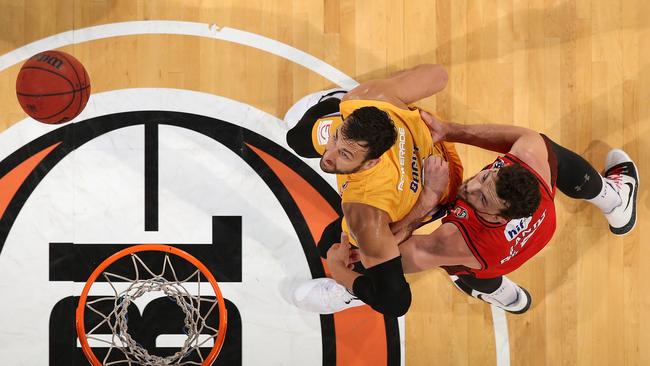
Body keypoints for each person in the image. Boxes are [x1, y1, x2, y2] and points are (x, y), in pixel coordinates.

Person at [310, 109, 639, 315]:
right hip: (541, 228)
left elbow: (386, 255)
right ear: (504, 168)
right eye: (484, 178)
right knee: (552, 151)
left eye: (481, 199)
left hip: (489, 253)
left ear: (498, 217)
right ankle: (615, 200)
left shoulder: (454, 241)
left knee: (353, 247)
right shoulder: (529, 158)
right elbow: (521, 136)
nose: (470, 187)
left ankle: (500, 293)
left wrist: (428, 199)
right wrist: (448, 130)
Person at [283, 64, 464, 317]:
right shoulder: (370, 99)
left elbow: (395, 302)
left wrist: (340, 272)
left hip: (435, 192)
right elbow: (439, 75)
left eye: (344, 154)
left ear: (371, 162)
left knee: (333, 247)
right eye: (335, 139)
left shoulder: (363, 213)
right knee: (299, 139)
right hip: (439, 157)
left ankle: (349, 291)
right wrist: (393, 93)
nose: (328, 156)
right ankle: (334, 102)